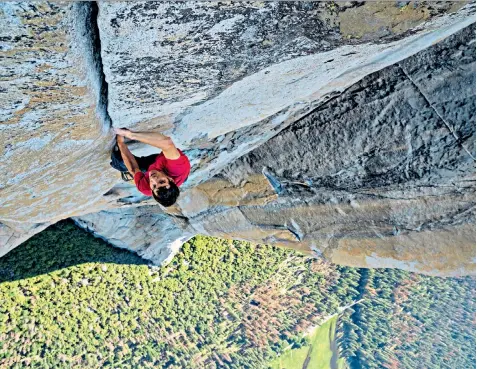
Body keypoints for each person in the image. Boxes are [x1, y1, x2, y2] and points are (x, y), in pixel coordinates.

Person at [112, 128, 190, 207]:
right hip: (166, 164)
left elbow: (133, 169)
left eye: (154, 186)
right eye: (161, 181)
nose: (153, 179)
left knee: (120, 161)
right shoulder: (178, 168)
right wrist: (130, 134)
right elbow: (167, 144)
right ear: (170, 179)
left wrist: (120, 142)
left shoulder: (145, 188)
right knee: (168, 150)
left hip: (155, 168)